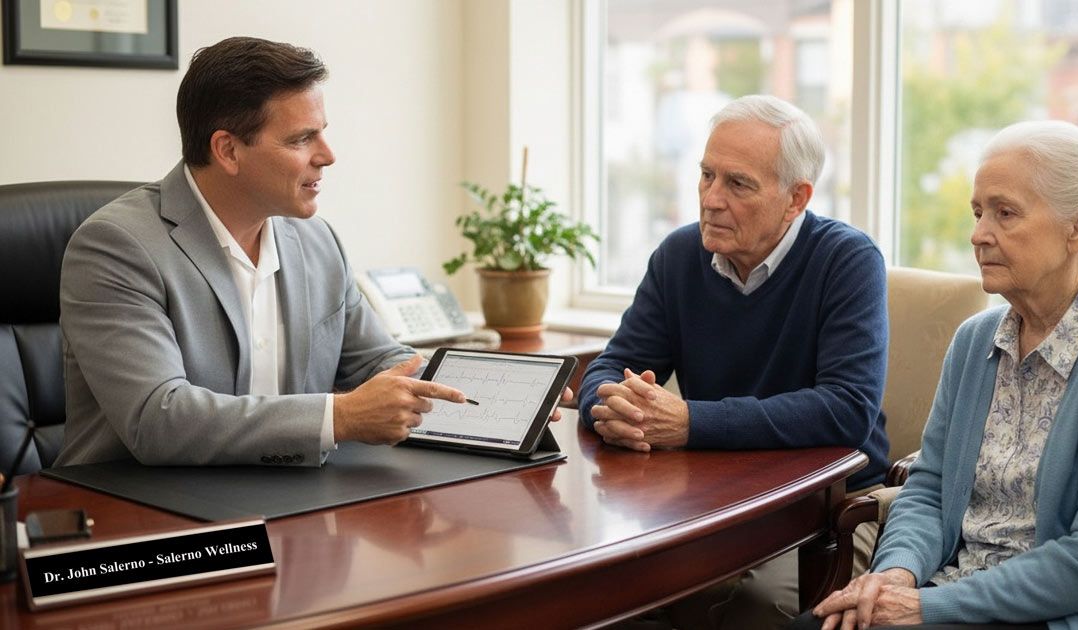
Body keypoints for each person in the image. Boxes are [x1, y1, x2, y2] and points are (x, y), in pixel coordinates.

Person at [56, 37, 567, 467]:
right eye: (303, 138)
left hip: (293, 501)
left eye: (323, 132)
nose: (328, 155)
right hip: (144, 519)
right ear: (228, 150)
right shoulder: (116, 246)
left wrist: (500, 396)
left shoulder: (318, 241)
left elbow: (379, 362)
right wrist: (340, 417)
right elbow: (157, 419)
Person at [799, 120, 1078, 630]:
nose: (978, 234)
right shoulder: (975, 340)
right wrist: (898, 573)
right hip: (949, 594)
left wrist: (927, 607)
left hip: (1073, 615)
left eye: (1005, 213)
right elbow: (930, 487)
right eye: (977, 212)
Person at [580, 95, 890, 629]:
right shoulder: (679, 256)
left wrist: (690, 422)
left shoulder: (847, 260)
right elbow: (609, 369)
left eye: (737, 183)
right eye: (706, 175)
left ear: (796, 199)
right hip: (711, 501)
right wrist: (611, 406)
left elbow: (847, 410)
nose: (711, 199)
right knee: (600, 593)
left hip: (828, 508)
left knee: (751, 610)